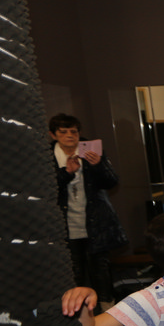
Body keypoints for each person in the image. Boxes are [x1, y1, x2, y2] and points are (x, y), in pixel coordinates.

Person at [49, 112, 128, 303]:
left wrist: (98, 165)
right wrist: (67, 173)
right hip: (64, 223)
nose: (69, 136)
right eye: (63, 132)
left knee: (100, 269)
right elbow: (45, 188)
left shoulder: (91, 150)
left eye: (74, 132)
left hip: (95, 221)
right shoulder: (47, 155)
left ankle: (107, 308)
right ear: (53, 135)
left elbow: (112, 182)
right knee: (73, 271)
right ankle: (76, 310)